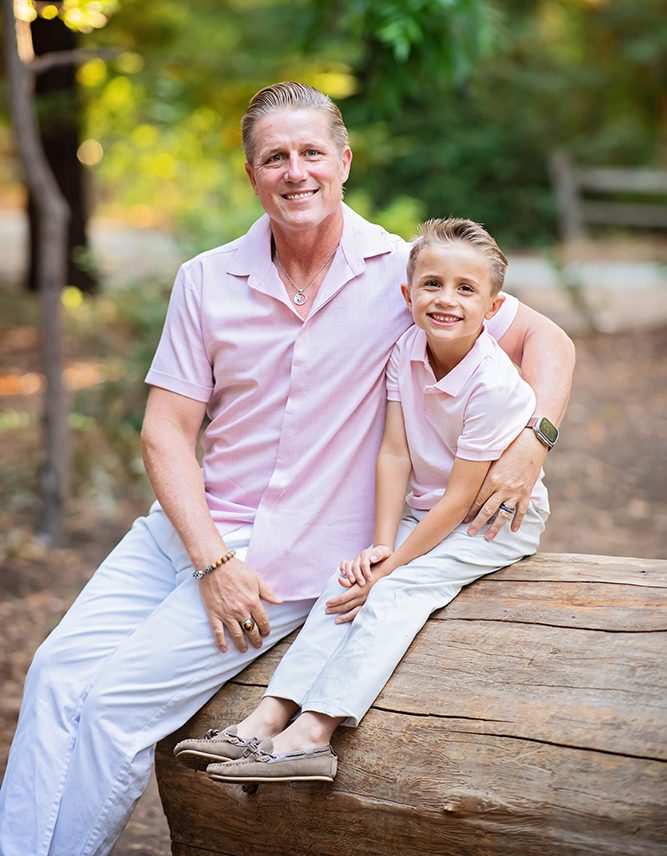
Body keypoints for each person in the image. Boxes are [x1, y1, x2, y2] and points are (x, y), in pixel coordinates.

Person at [0, 83, 574, 856]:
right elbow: (165, 433)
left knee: (112, 708)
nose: (295, 171)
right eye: (275, 157)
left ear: (342, 161)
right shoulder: (206, 279)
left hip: (291, 558)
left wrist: (531, 441)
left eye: (311, 153)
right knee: (52, 676)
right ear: (251, 174)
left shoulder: (404, 277)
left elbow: (551, 344)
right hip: (188, 534)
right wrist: (209, 556)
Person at [178, 217, 552, 785]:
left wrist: (392, 567)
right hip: (426, 510)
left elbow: (461, 497)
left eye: (465, 289)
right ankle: (268, 718)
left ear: (494, 309)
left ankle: (313, 734)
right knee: (348, 579)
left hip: (490, 518)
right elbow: (394, 454)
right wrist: (378, 547)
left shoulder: (496, 388)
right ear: (407, 294)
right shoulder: (406, 350)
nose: (445, 299)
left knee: (394, 593)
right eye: (431, 284)